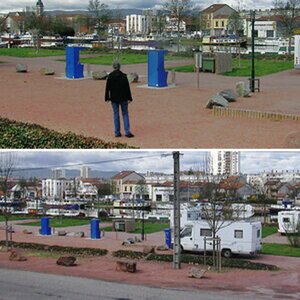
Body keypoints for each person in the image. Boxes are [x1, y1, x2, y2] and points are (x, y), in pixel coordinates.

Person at [105, 61, 134, 138]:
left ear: (113, 67)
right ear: (119, 67)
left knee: (116, 115)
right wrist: (130, 98)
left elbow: (107, 88)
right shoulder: (123, 76)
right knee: (125, 114)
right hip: (123, 97)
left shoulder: (110, 76)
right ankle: (127, 132)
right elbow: (127, 88)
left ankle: (117, 132)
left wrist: (107, 97)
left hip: (114, 98)